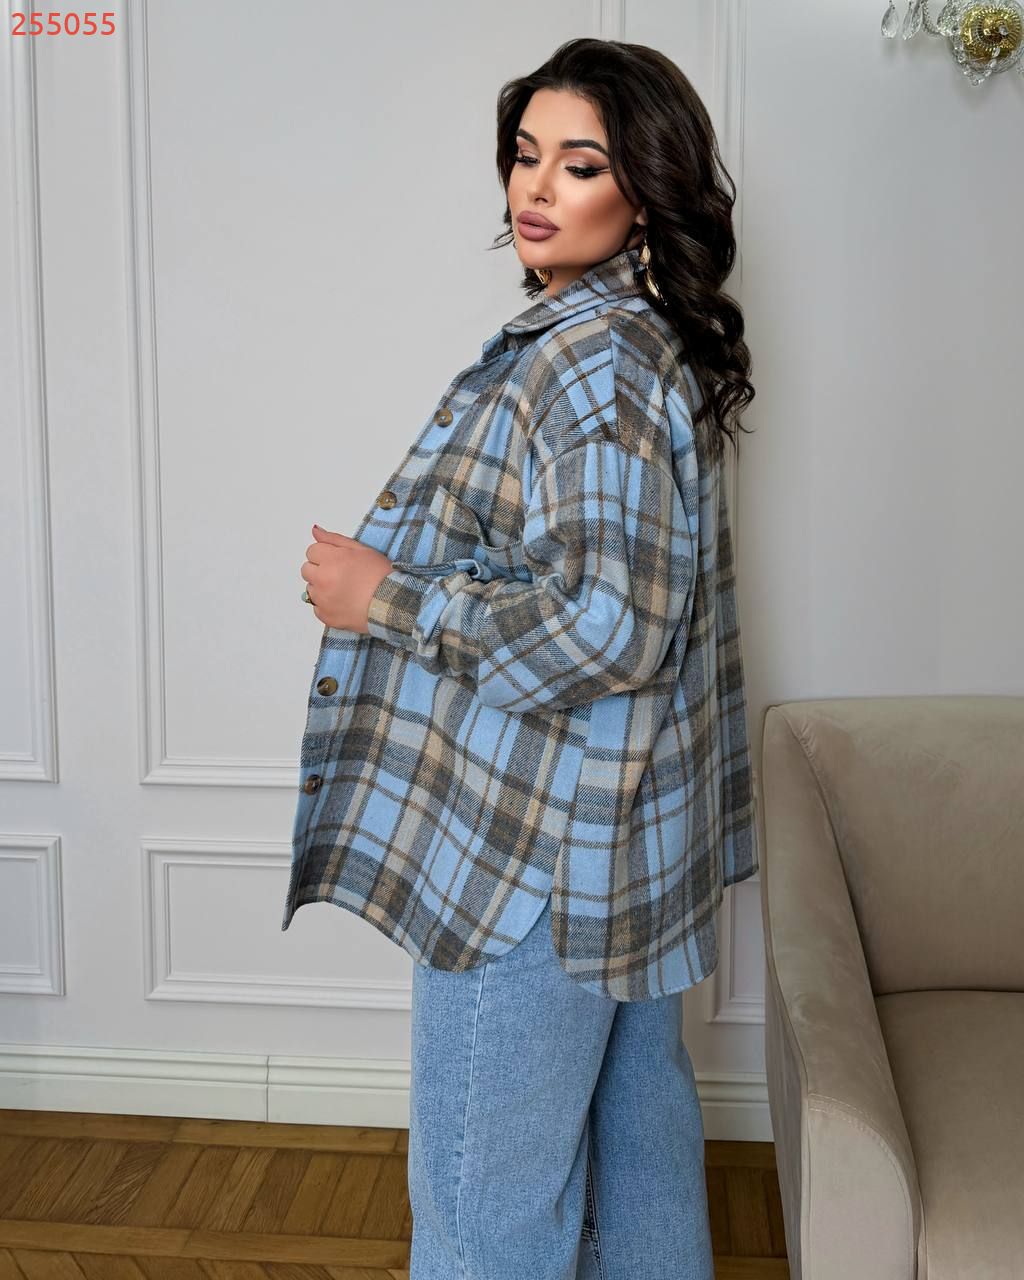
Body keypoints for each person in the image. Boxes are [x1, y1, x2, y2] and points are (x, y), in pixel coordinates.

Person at [288, 35, 758, 1280]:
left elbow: (609, 626)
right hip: (629, 841)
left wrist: (385, 598)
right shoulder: (644, 340)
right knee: (635, 1144)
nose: (537, 188)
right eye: (525, 154)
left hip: (534, 856)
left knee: (481, 1204)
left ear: (645, 191)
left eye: (580, 163)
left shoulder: (590, 366)